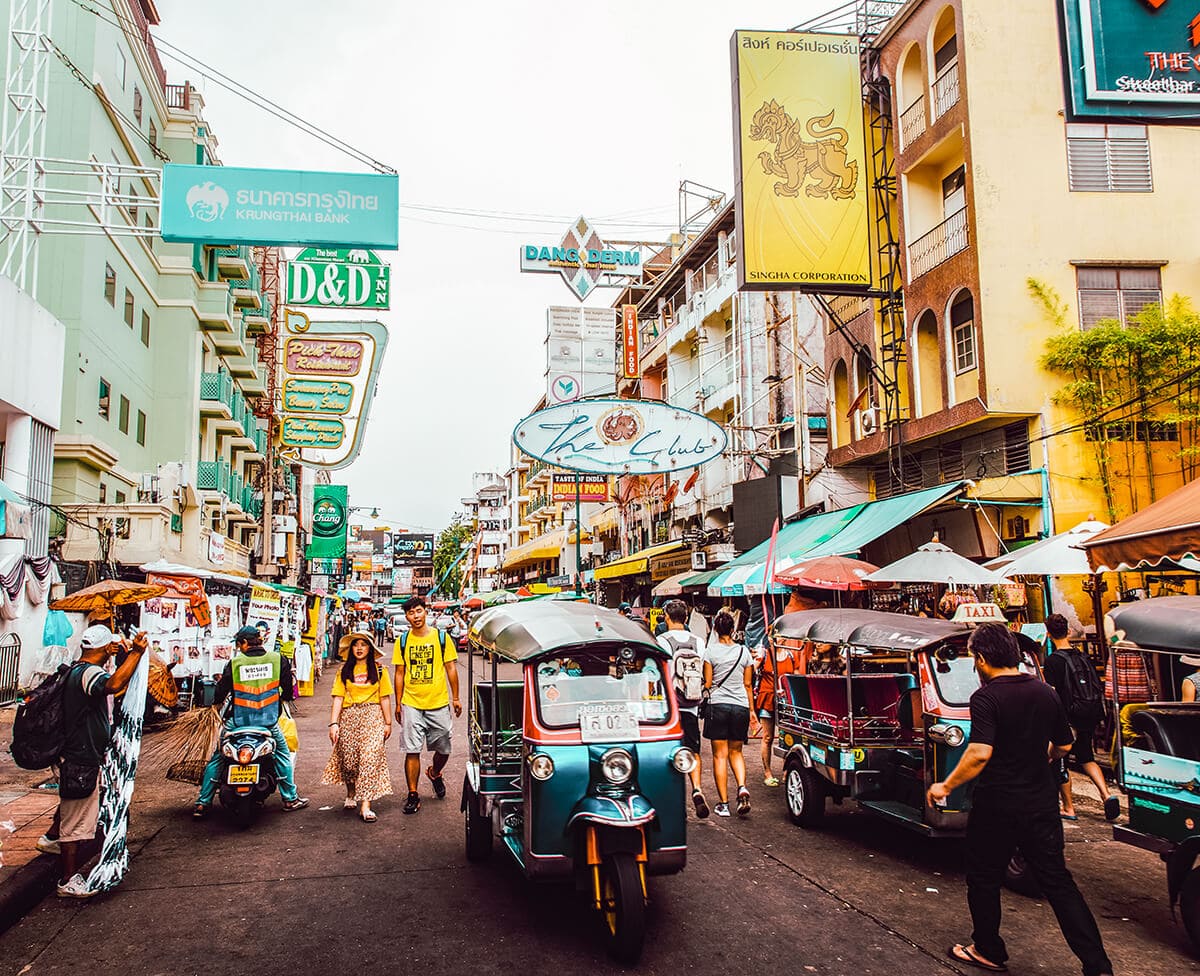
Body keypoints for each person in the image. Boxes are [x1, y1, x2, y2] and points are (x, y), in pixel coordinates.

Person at [928, 623, 1113, 976]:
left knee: (983, 877)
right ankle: (1098, 965)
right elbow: (1064, 746)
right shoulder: (1046, 692)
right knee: (1059, 882)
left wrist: (946, 786)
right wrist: (1040, 757)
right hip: (1041, 805)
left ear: (981, 660)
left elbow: (980, 753)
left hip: (998, 805)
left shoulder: (986, 697)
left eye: (973, 659)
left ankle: (988, 950)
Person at [46, 625, 147, 898]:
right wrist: (137, 653)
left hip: (80, 754)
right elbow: (113, 684)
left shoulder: (76, 670)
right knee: (75, 817)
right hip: (80, 756)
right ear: (103, 649)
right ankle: (67, 880)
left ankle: (51, 837)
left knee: (74, 806)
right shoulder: (89, 673)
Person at [193, 626, 309, 818]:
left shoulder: (235, 663)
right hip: (268, 723)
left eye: (239, 644)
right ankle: (290, 798)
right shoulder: (278, 660)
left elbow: (220, 692)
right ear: (260, 639)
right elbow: (288, 690)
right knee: (282, 754)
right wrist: (283, 698)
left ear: (244, 643)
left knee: (218, 757)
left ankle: (202, 802)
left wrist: (214, 705)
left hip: (237, 723)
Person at [1041, 614, 1120, 822]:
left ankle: (1068, 807)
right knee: (1086, 757)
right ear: (1068, 631)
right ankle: (1106, 794)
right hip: (1089, 714)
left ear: (1048, 634)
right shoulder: (1083, 657)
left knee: (1060, 761)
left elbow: (1052, 693)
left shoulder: (1052, 661)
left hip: (1067, 718)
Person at [393, 595, 461, 815]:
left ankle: (435, 772)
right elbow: (399, 673)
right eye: (411, 613)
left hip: (438, 703)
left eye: (419, 611)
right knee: (411, 750)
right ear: (407, 617)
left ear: (426, 612)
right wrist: (398, 703)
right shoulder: (402, 641)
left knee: (444, 748)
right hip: (411, 703)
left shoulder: (441, 638)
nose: (416, 616)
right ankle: (413, 794)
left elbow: (451, 668)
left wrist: (456, 698)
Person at [322, 632, 393, 822]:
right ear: (351, 649)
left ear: (370, 648)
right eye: (356, 645)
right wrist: (334, 723)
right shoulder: (343, 671)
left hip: (373, 716)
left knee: (370, 757)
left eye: (364, 644)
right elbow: (338, 697)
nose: (360, 648)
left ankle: (366, 805)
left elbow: (384, 697)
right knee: (350, 760)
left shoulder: (379, 670)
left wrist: (388, 722)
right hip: (349, 717)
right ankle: (351, 792)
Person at [657, 599, 709, 818]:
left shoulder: (662, 640)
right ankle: (696, 788)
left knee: (670, 754)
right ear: (686, 618)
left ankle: (675, 798)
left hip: (669, 708)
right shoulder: (698, 642)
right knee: (693, 751)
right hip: (691, 705)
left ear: (667, 617)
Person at [702, 610, 755, 818]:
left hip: (718, 706)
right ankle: (742, 787)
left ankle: (723, 804)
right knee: (736, 752)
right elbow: (748, 684)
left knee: (720, 756)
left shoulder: (711, 652)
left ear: (715, 629)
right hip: (740, 706)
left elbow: (708, 683)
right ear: (733, 630)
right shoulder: (744, 652)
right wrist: (752, 712)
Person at [754, 636, 805, 788]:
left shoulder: (791, 655)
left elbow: (795, 678)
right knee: (768, 737)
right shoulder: (765, 654)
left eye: (779, 636)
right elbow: (751, 668)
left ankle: (787, 771)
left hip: (785, 701)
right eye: (772, 636)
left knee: (787, 738)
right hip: (767, 698)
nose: (776, 639)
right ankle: (767, 772)